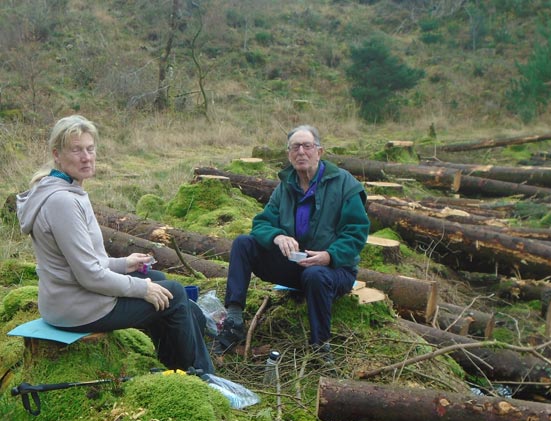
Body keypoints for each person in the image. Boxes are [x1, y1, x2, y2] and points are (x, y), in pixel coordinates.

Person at [16, 115, 214, 374]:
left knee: (157, 278)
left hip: (69, 297)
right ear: (57, 154)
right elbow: (89, 275)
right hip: (77, 307)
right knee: (174, 294)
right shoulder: (62, 202)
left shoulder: (63, 189)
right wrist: (141, 289)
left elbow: (79, 262)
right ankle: (201, 377)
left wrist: (124, 264)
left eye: (90, 148)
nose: (86, 157)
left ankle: (170, 365)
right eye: (76, 150)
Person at [217, 125, 370, 361]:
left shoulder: (344, 184)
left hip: (334, 270)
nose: (301, 152)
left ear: (319, 151)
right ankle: (234, 318)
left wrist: (330, 255)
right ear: (289, 154)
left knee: (316, 275)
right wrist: (277, 236)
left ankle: (320, 347)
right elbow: (261, 223)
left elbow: (356, 232)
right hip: (295, 266)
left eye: (307, 146)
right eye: (295, 147)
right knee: (243, 243)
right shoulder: (286, 186)